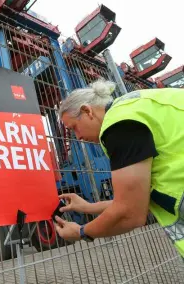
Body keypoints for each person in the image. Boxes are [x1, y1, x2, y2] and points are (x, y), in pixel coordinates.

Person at [54, 79, 184, 259]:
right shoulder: (135, 107)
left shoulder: (119, 123)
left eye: (74, 128)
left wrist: (81, 231)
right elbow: (138, 201)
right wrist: (89, 207)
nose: (79, 137)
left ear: (87, 111)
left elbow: (131, 213)